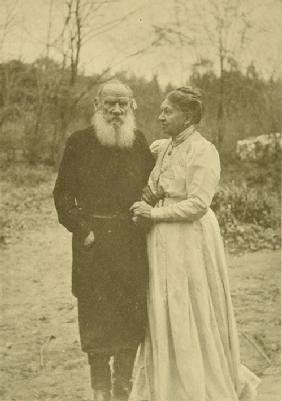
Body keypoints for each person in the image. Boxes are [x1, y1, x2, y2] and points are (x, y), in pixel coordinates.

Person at [129, 87, 260, 401]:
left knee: (191, 302)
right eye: (160, 110)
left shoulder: (204, 151)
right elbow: (147, 179)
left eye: (167, 111)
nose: (160, 116)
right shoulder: (163, 148)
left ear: (187, 115)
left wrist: (155, 212)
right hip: (160, 237)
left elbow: (199, 204)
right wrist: (145, 203)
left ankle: (198, 383)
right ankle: (166, 383)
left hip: (189, 236)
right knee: (164, 303)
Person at [53, 80, 154, 401]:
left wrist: (147, 213)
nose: (116, 110)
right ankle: (99, 391)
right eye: (109, 103)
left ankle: (122, 389)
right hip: (92, 244)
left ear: (132, 105)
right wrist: (83, 229)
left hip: (131, 244)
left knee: (131, 317)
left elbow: (153, 189)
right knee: (95, 320)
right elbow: (63, 195)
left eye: (122, 103)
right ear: (97, 104)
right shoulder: (79, 142)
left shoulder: (139, 143)